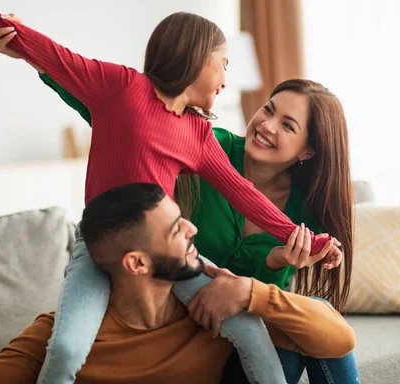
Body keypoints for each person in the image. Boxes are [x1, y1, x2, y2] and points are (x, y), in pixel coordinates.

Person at [0, 7, 342, 384]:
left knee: (250, 332)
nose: (226, 79)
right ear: (198, 59)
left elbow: (243, 194)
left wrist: (313, 240)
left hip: (171, 253)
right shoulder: (122, 88)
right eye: (223, 65)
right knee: (69, 347)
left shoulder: (198, 134)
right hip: (98, 247)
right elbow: (55, 56)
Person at [35, 73, 361, 383]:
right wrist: (40, 62)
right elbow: (127, 118)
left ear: (307, 150)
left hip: (244, 335)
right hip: (186, 331)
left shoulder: (305, 210)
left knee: (316, 325)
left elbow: (256, 300)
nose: (266, 125)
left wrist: (276, 261)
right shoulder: (203, 143)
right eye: (268, 110)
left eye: (287, 125)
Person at [0, 183, 356, 384]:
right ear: (137, 262)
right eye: (177, 229)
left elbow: (338, 340)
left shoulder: (213, 308)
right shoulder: (63, 333)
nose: (194, 232)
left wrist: (250, 291)